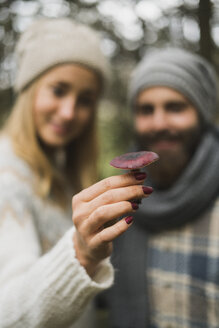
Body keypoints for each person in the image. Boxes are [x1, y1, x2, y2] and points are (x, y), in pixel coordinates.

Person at [0, 18, 153, 328]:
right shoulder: (7, 178)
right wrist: (81, 254)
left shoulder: (59, 170)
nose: (69, 112)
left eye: (85, 100)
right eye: (58, 90)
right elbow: (7, 313)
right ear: (29, 89)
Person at [106, 47, 219, 328]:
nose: (159, 123)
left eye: (175, 107)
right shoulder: (117, 205)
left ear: (202, 112)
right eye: (146, 110)